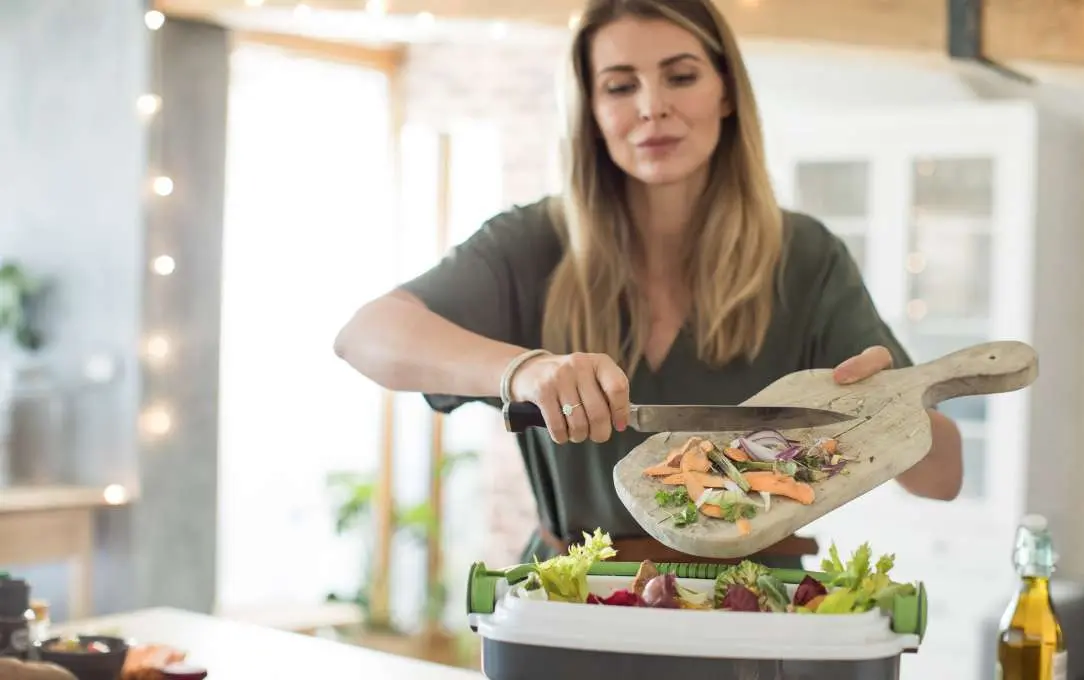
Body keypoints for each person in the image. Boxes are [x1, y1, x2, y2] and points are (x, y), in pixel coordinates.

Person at [334, 0, 963, 567]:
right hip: (573, 610)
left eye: (681, 76)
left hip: (752, 620)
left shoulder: (806, 256)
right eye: (619, 85)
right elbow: (365, 335)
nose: (651, 106)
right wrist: (522, 371)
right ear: (592, 110)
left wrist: (890, 409)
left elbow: (943, 477)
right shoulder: (528, 245)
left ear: (725, 92)